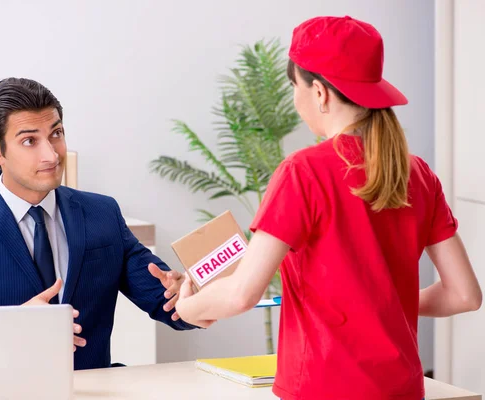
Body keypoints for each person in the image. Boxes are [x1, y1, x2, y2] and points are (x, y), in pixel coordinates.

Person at [175, 15, 482, 400]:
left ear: (319, 93)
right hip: (401, 389)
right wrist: (382, 302)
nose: (294, 99)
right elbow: (465, 295)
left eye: (294, 87)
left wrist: (187, 308)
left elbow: (242, 294)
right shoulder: (417, 173)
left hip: (320, 389)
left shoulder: (302, 173)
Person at [0, 77, 196, 369]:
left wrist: (189, 295)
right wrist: (11, 328)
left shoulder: (102, 213)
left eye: (56, 133)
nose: (51, 154)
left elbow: (170, 304)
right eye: (29, 140)